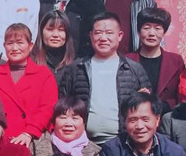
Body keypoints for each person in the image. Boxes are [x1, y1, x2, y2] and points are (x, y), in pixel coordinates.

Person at [59, 12, 150, 145]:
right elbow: (62, 104)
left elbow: (148, 107)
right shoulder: (76, 68)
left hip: (123, 144)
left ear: (120, 36)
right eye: (98, 33)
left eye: (109, 33)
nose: (103, 38)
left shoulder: (135, 70)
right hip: (83, 144)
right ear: (91, 35)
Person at [0, 23, 58, 146]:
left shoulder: (44, 75)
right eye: (10, 43)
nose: (14, 48)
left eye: (20, 43)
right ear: (4, 46)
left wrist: (30, 132)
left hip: (32, 141)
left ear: (30, 46)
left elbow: (47, 108)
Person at [126, 7, 184, 111]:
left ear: (164, 32)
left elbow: (181, 97)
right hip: (136, 116)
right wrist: (135, 97)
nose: (152, 33)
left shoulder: (176, 61)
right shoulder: (126, 60)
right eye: (146, 28)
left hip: (165, 117)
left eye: (157, 28)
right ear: (138, 32)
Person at [31, 10, 77, 85]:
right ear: (41, 32)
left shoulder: (75, 66)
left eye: (61, 30)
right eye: (50, 29)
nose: (55, 35)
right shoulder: (30, 62)